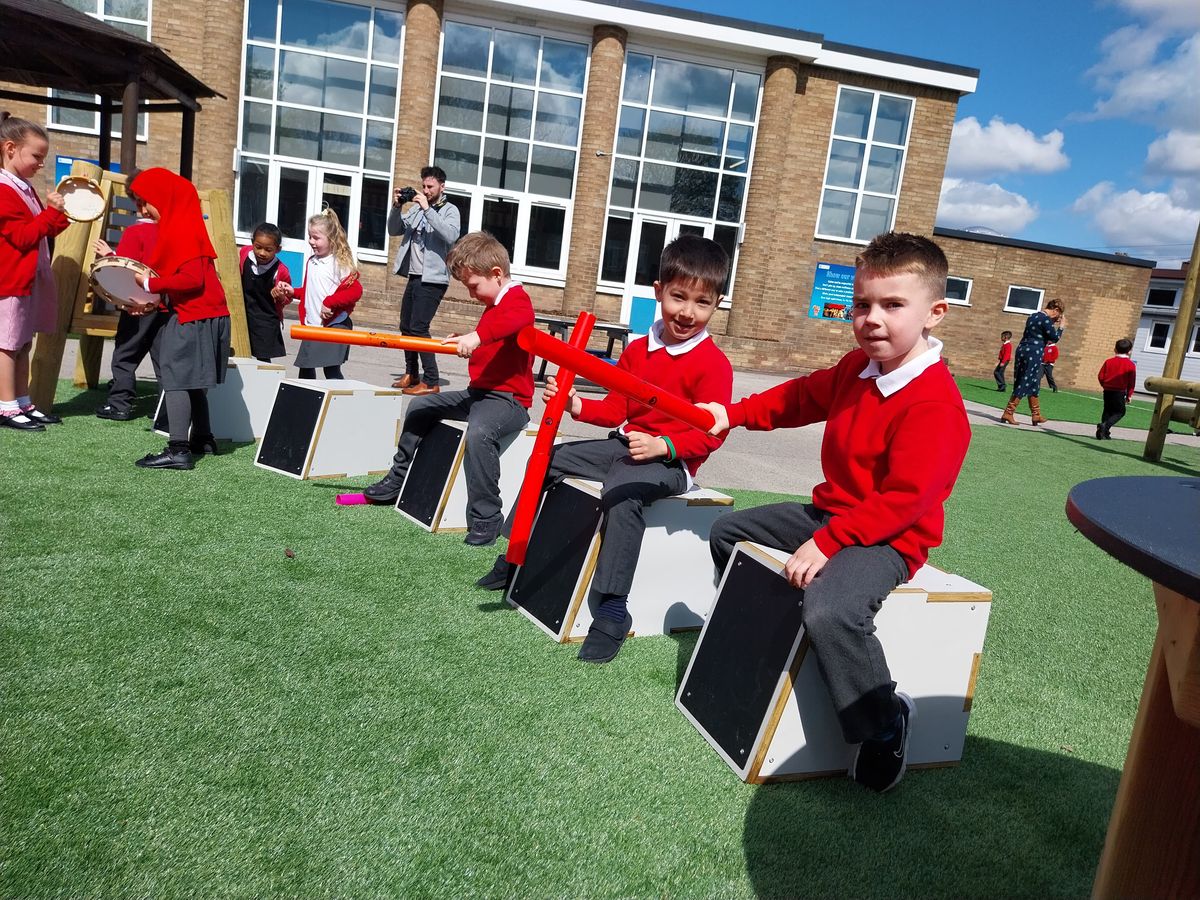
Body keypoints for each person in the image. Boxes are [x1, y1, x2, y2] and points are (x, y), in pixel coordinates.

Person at [700, 232, 971, 793]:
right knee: (730, 533)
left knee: (830, 611)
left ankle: (883, 723)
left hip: (889, 537)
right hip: (834, 515)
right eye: (863, 304)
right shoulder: (858, 368)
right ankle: (767, 643)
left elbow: (907, 499)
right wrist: (732, 414)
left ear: (934, 313)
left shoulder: (935, 404)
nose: (873, 319)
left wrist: (828, 544)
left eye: (894, 305)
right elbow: (799, 398)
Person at [477, 234, 734, 664]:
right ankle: (515, 552)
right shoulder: (638, 349)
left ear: (716, 304)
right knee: (551, 461)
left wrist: (664, 444)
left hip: (673, 462)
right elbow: (618, 407)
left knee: (623, 491)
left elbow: (712, 433)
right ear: (658, 291)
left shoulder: (713, 364)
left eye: (702, 303)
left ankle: (613, 608)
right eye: (678, 297)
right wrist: (578, 404)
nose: (688, 312)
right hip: (625, 444)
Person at [363, 231, 534, 546]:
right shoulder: (497, 302)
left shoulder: (516, 299)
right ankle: (398, 477)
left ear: (497, 274)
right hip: (479, 394)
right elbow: (496, 338)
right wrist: (469, 336)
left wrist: (477, 337)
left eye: (473, 286)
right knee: (420, 407)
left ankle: (486, 516)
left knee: (480, 433)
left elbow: (519, 319)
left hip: (509, 401)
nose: (471, 295)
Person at [128, 167, 231, 469]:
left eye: (146, 201)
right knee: (193, 380)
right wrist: (155, 301)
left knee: (174, 379)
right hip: (205, 314)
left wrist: (149, 285)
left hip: (194, 317)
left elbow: (191, 280)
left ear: (164, 199)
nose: (143, 209)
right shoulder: (186, 226)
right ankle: (202, 437)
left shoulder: (181, 230)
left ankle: (178, 449)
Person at [0, 113, 69, 431]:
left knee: (23, 341)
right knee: (8, 343)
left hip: (27, 277)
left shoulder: (23, 187)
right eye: (37, 156)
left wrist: (60, 214)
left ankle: (23, 402)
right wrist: (51, 214)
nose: (41, 163)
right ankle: (6, 405)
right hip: (12, 279)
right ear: (11, 148)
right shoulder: (4, 189)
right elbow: (24, 236)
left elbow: (42, 231)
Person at [94, 184, 169, 421]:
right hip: (164, 304)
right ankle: (164, 410)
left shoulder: (134, 233)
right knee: (162, 359)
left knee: (125, 355)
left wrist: (108, 255)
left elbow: (123, 269)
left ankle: (120, 404)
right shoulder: (170, 233)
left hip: (137, 304)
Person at [388, 166, 461, 395]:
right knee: (406, 327)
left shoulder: (450, 210)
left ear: (442, 186)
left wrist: (427, 208)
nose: (426, 190)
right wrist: (397, 206)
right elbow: (394, 229)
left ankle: (431, 381)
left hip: (434, 280)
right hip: (414, 275)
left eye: (430, 186)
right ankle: (412, 373)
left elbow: (450, 235)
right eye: (424, 186)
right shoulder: (418, 209)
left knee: (419, 328)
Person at [277, 208, 361, 380]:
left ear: (331, 239)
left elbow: (356, 290)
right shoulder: (312, 261)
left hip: (334, 325)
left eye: (316, 237)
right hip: (313, 326)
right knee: (305, 369)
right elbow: (312, 291)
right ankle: (305, 404)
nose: (311, 241)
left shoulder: (339, 263)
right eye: (309, 236)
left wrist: (330, 302)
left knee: (330, 370)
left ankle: (340, 403)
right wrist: (294, 292)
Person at [1000, 299, 1065, 426]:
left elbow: (1038, 332)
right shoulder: (1045, 319)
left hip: (1023, 349)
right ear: (1056, 310)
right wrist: (1061, 327)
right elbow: (1054, 338)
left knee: (1034, 381)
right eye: (1058, 315)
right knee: (1025, 380)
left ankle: (1036, 415)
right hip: (1034, 352)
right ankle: (1008, 412)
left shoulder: (1033, 316)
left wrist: (1052, 322)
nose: (1057, 318)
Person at [238, 223, 291, 363]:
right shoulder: (244, 254)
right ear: (252, 243)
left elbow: (287, 298)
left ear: (278, 249)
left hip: (266, 319)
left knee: (262, 358)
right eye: (258, 247)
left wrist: (280, 297)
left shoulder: (281, 271)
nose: (262, 253)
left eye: (268, 249)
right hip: (245, 313)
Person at [1096, 338, 1136, 440]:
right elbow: (1131, 382)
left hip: (1107, 390)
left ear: (1115, 350)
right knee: (1120, 412)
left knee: (1107, 410)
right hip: (1119, 391)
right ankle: (1105, 426)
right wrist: (1129, 394)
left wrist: (1105, 385)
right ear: (1129, 351)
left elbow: (1100, 376)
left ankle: (1104, 433)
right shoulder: (1130, 365)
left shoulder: (1109, 362)